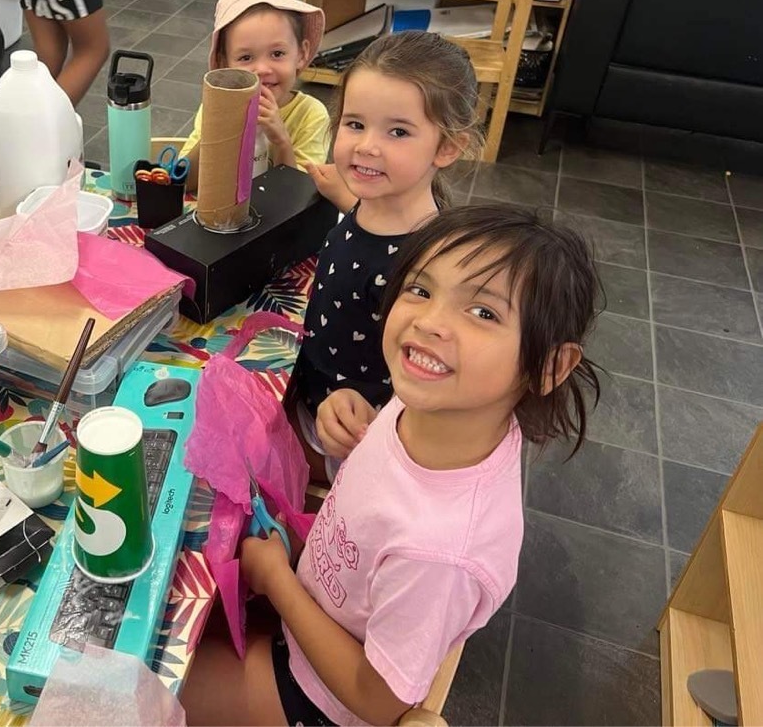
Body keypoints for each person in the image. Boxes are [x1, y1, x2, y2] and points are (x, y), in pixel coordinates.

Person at [180, 203, 602, 727]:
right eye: (421, 289)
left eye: (483, 313)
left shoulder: (442, 552)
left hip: (317, 696)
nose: (429, 322)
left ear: (550, 366)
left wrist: (277, 581)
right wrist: (352, 412)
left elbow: (379, 700)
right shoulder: (435, 406)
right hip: (313, 601)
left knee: (149, 688)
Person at [291, 32, 481, 482]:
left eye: (397, 132)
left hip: (348, 436)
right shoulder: (372, 202)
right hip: (309, 389)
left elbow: (433, 380)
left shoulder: (424, 267)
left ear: (447, 147)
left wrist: (372, 419)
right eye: (355, 124)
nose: (367, 146)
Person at [179, 0, 330, 190]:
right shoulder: (215, 109)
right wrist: (217, 126)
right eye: (246, 57)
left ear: (301, 54)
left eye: (277, 54)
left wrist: (281, 142)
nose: (262, 69)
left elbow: (298, 195)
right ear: (224, 64)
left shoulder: (310, 115)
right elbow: (184, 182)